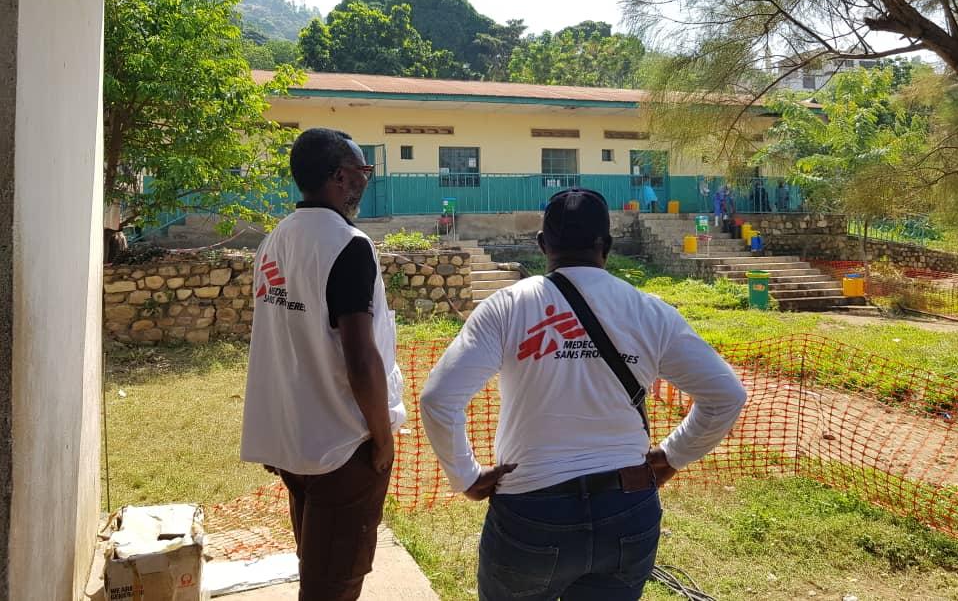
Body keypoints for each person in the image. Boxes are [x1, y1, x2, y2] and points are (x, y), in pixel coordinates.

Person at [420, 188, 747, 601]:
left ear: (543, 244)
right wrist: (673, 455)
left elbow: (438, 399)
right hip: (628, 510)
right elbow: (726, 395)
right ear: (606, 245)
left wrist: (464, 476)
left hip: (532, 511)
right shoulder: (649, 311)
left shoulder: (508, 306)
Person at [240, 127, 406, 601]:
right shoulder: (348, 244)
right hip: (343, 446)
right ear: (338, 177)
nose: (366, 181)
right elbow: (360, 356)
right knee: (333, 584)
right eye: (363, 171)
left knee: (318, 565)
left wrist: (279, 432)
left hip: (295, 439)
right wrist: (383, 438)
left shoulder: (275, 240)